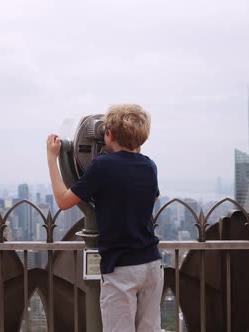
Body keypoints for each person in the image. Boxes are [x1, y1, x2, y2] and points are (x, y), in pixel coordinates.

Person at [46, 104, 163, 332]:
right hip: (152, 265)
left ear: (108, 134)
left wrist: (52, 158)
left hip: (121, 268)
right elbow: (154, 197)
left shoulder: (102, 166)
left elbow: (63, 201)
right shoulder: (150, 166)